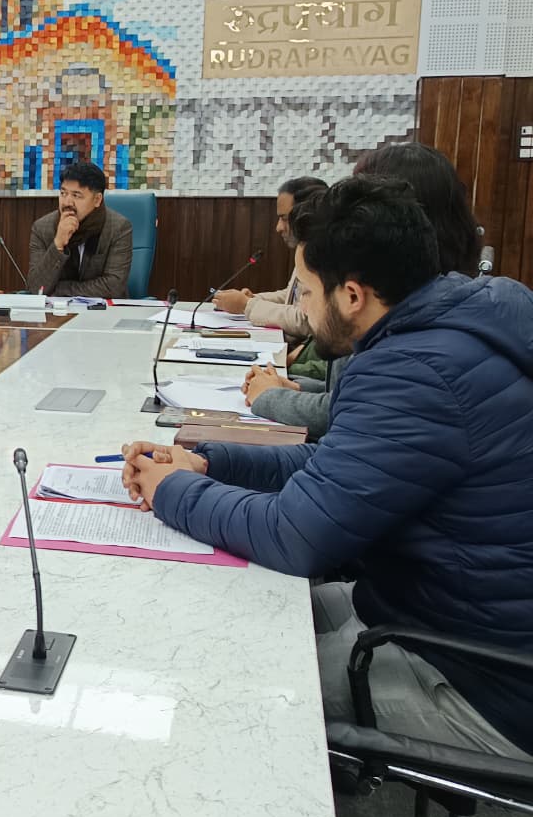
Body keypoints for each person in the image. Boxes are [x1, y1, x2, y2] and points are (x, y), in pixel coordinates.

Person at [122, 174, 533, 761]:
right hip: (428, 609)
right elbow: (335, 465)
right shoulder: (446, 330)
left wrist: (171, 490)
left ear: (352, 296)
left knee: (228, 680)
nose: (304, 312)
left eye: (308, 294)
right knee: (235, 610)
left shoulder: (417, 372)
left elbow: (293, 536)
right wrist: (211, 462)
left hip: (480, 680)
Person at [245, 142, 484, 438]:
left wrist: (272, 397)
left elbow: (357, 411)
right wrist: (294, 387)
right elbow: (356, 397)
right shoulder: (436, 295)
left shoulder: (411, 325)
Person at [212, 176, 327, 341]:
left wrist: (247, 305)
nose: (278, 227)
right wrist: (253, 299)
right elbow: (291, 297)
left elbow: (306, 320)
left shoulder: (323, 255)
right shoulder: (304, 248)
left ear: (307, 215)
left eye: (284, 218)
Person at [26, 160, 132, 298]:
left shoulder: (118, 228)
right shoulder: (42, 228)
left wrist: (58, 290)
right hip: (56, 310)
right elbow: (36, 288)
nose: (67, 202)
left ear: (97, 200)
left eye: (76, 195)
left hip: (105, 310)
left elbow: (113, 287)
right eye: (63, 193)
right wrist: (58, 244)